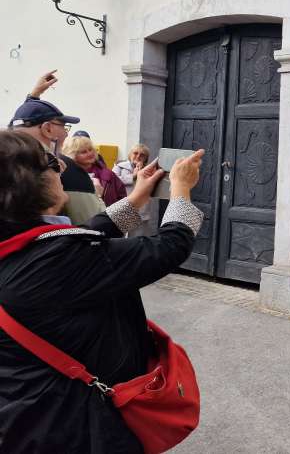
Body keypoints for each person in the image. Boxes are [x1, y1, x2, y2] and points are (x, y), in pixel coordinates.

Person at [0, 130, 205, 452]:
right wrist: (181, 190)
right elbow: (169, 246)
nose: (62, 168)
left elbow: (83, 236)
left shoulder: (20, 245)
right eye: (51, 162)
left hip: (26, 413)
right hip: (71, 423)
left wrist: (138, 197)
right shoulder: (55, 261)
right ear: (27, 183)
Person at [8, 72, 106, 224]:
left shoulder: (8, 160)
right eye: (64, 127)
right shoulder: (64, 169)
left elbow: (15, 130)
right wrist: (98, 196)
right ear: (47, 129)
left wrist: (32, 98)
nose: (67, 135)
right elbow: (93, 228)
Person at [61, 135, 127, 208]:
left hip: (107, 218)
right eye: (83, 152)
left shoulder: (108, 174)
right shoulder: (66, 176)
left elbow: (123, 199)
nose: (89, 153)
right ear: (73, 155)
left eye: (90, 149)